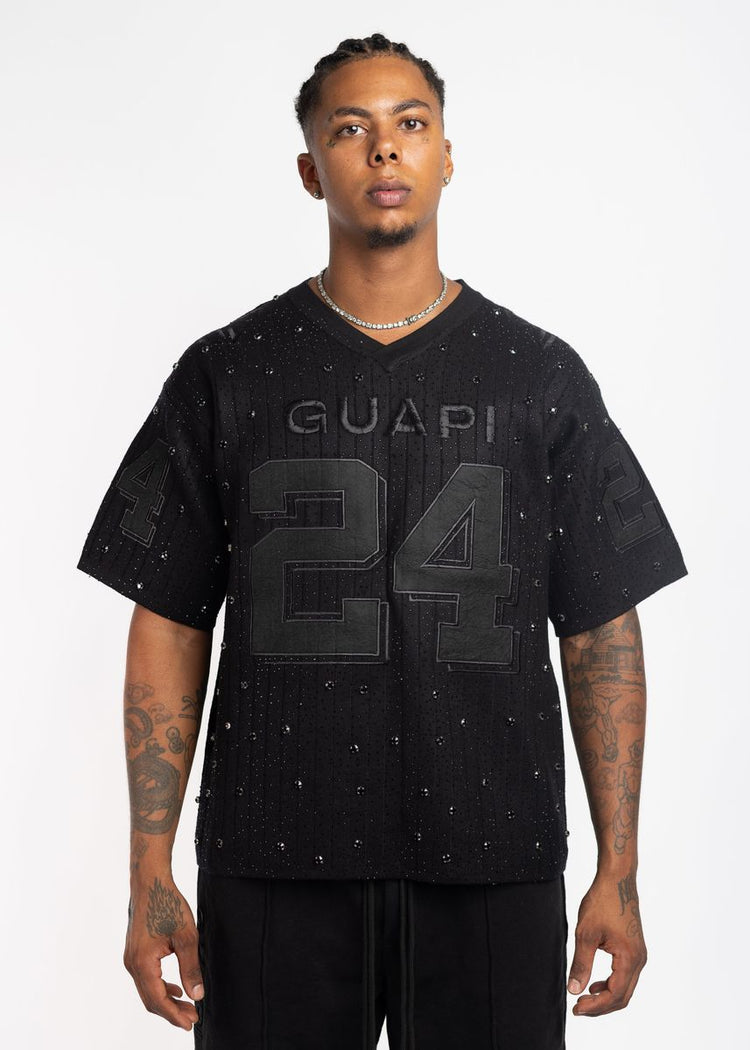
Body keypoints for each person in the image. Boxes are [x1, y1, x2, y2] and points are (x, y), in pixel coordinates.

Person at [76, 32, 688, 1050]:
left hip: (494, 856)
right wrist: (148, 869)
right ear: (310, 169)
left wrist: (618, 868)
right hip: (272, 862)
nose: (385, 148)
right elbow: (169, 618)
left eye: (411, 123)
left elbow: (599, 630)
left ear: (448, 155)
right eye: (350, 129)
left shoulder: (540, 376)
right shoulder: (226, 372)